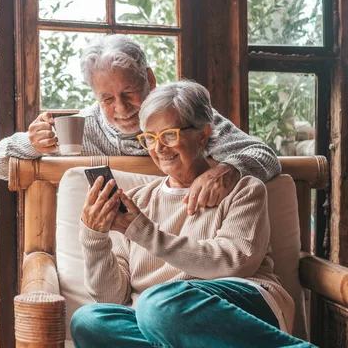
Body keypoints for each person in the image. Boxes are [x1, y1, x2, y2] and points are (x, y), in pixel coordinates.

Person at [70, 81, 312, 348]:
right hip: (163, 320)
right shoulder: (137, 201)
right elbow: (111, 298)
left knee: (157, 303)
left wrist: (143, 231)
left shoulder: (242, 188)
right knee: (89, 320)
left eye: (169, 135)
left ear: (202, 135)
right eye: (149, 138)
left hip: (241, 305)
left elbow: (236, 262)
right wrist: (94, 235)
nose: (158, 148)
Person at [0, 35, 281, 215]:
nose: (121, 108)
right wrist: (31, 144)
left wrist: (227, 171)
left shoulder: (183, 113)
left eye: (129, 93)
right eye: (107, 98)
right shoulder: (82, 128)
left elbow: (264, 155)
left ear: (150, 80)